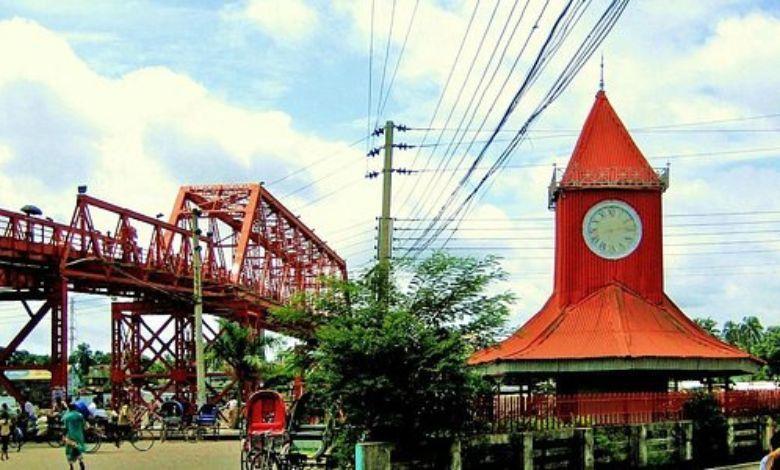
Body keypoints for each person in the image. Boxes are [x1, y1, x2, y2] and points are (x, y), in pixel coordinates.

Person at [62, 403, 86, 470]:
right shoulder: (80, 415)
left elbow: (65, 428)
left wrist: (63, 436)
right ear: (75, 408)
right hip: (79, 436)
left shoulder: (67, 416)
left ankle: (71, 466)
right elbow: (84, 425)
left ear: (69, 408)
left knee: (68, 451)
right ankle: (81, 461)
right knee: (77, 450)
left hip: (70, 436)